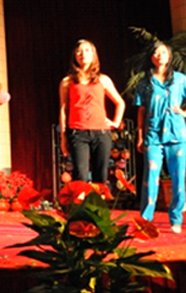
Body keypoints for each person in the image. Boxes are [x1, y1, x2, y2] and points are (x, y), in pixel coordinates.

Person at [135, 41, 186, 233]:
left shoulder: (180, 79)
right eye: (156, 52)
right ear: (151, 57)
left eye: (163, 52)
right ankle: (145, 220)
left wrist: (183, 112)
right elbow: (141, 110)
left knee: (178, 177)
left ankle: (176, 218)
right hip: (153, 134)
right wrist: (140, 136)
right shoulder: (145, 82)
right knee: (150, 177)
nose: (160, 55)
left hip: (177, 134)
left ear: (169, 56)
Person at [59, 39, 125, 185]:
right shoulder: (67, 82)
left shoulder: (103, 79)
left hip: (101, 133)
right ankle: (81, 200)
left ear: (94, 54)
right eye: (79, 51)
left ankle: (98, 200)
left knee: (100, 175)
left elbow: (120, 102)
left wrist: (115, 122)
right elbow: (63, 109)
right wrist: (63, 137)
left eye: (87, 50)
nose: (83, 54)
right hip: (78, 133)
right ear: (75, 56)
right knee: (80, 175)